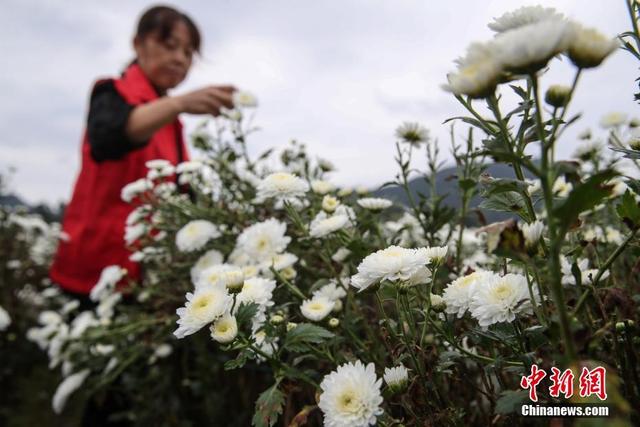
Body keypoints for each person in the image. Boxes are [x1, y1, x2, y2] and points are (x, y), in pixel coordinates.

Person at [49, 5, 235, 297]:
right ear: (138, 44)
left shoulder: (171, 121)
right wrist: (179, 103)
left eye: (188, 53)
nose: (179, 59)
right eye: (170, 45)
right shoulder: (111, 92)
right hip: (94, 270)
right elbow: (109, 138)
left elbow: (177, 189)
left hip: (147, 275)